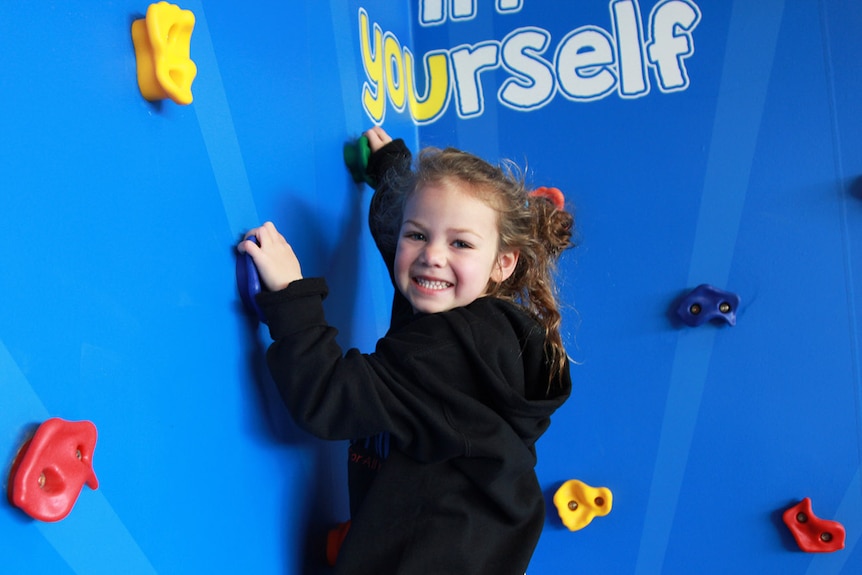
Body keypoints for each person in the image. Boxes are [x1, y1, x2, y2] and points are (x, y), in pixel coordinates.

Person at [238, 127, 574, 574]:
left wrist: (290, 293)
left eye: (460, 243)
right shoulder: (473, 320)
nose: (432, 255)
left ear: (502, 262)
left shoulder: (451, 346)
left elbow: (328, 396)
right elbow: (407, 250)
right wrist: (393, 171)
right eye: (417, 234)